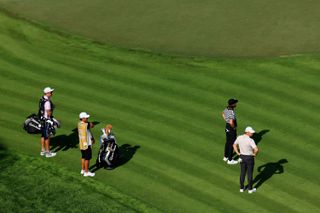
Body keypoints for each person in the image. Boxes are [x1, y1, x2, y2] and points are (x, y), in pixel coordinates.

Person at [233, 126, 259, 193]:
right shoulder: (251, 140)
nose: (252, 133)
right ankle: (250, 189)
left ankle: (241, 188)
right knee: (249, 174)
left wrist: (238, 153)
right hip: (249, 158)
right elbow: (256, 149)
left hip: (242, 157)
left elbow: (234, 145)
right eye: (251, 132)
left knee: (242, 173)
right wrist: (254, 154)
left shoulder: (239, 137)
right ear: (247, 132)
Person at [39, 87, 56, 158]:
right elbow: (48, 113)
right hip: (46, 120)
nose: (52, 93)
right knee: (47, 136)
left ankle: (43, 150)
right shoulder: (47, 102)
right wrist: (52, 119)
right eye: (51, 92)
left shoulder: (42, 98)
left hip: (41, 119)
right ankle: (48, 152)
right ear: (47, 93)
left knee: (43, 135)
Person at [78, 112, 95, 177]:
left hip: (82, 144)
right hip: (86, 144)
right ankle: (86, 172)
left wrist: (92, 138)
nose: (87, 118)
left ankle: (83, 170)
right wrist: (89, 123)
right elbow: (92, 125)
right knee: (87, 158)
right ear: (82, 118)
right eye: (86, 117)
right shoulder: (85, 125)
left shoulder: (79, 124)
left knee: (83, 157)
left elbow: (88, 131)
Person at [222, 98, 238, 165]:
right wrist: (234, 127)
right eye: (235, 103)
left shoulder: (226, 108)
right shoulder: (231, 111)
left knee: (228, 142)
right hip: (231, 129)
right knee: (232, 143)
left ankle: (225, 157)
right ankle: (230, 160)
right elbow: (231, 122)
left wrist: (226, 120)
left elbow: (222, 114)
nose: (236, 104)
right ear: (232, 104)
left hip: (227, 127)